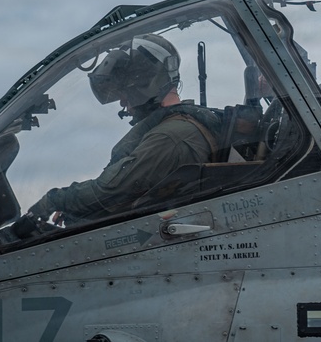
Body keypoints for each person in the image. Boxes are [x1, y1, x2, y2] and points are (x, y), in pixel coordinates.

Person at [15, 34, 221, 235]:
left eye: (123, 92)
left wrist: (54, 201)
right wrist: (78, 208)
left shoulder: (171, 137)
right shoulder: (173, 129)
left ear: (144, 82)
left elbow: (110, 191)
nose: (122, 103)